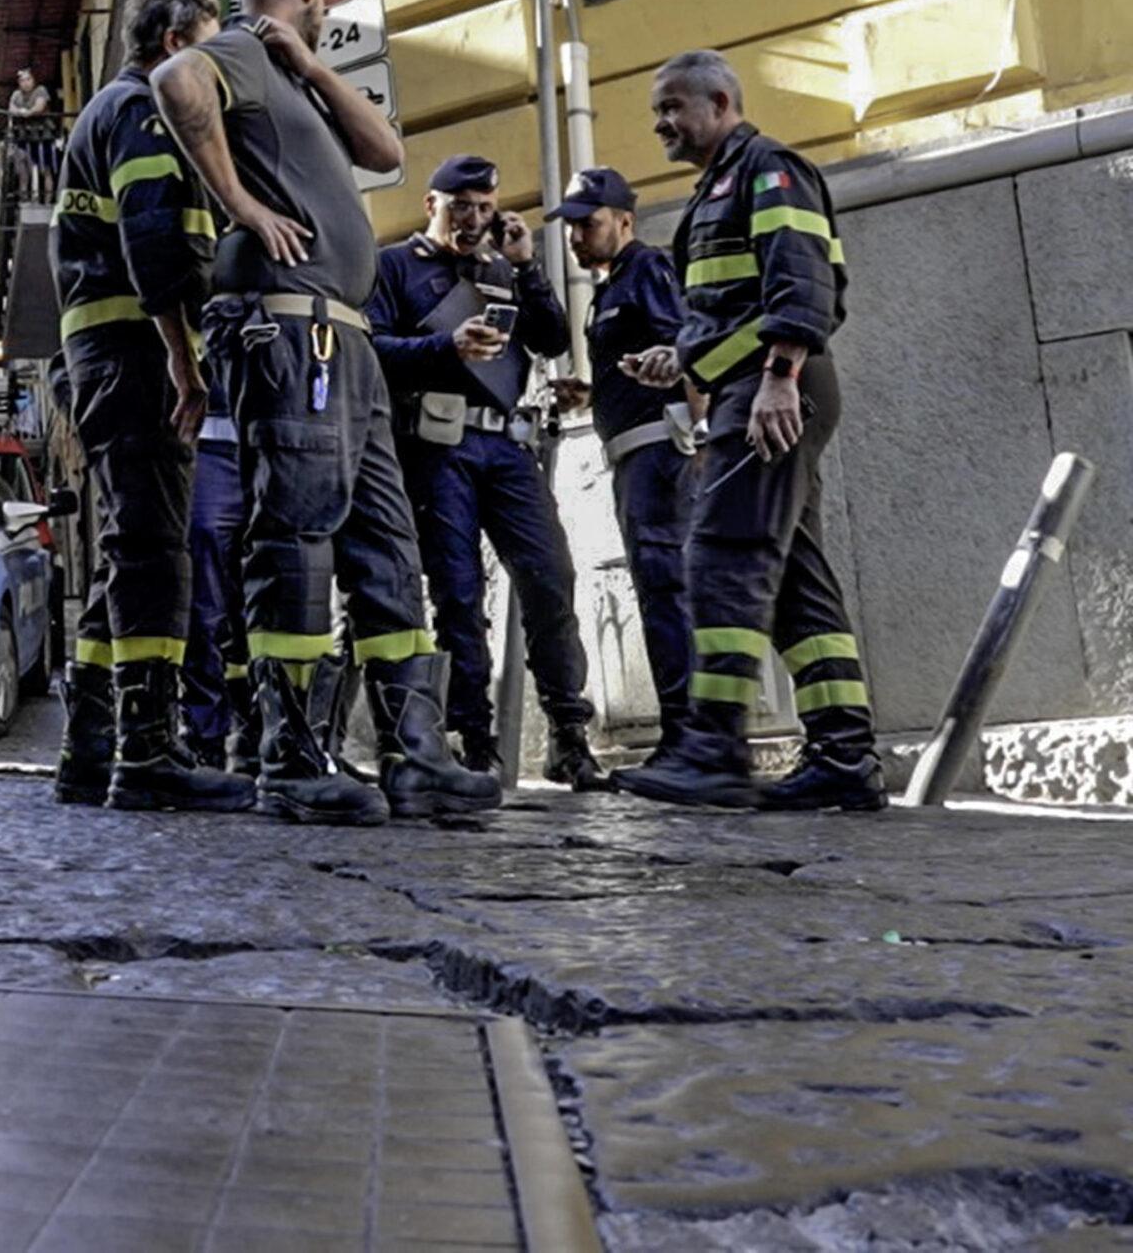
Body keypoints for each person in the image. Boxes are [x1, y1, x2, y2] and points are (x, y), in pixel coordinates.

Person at [151, 0, 502, 825]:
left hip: (344, 342)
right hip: (294, 331)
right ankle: (293, 752)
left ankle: (414, 753)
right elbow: (175, 78)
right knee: (297, 537)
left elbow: (387, 153)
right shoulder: (233, 51)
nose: (334, 4)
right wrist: (242, 205)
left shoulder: (290, 74)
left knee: (388, 543)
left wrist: (310, 68)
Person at [616, 49, 885, 811]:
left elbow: (802, 279)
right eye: (656, 112)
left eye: (674, 107)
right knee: (795, 573)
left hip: (773, 388)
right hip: (755, 383)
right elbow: (739, 304)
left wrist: (779, 375)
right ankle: (845, 755)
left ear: (723, 102)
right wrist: (681, 358)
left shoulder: (768, 168)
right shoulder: (718, 186)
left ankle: (713, 748)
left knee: (721, 552)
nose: (662, 123)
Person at [47, 0, 249, 812]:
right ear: (175, 45)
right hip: (137, 353)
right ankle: (150, 752)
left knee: (130, 548)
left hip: (108, 355)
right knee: (158, 551)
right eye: (207, 49)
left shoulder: (109, 109)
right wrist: (186, 360)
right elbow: (156, 238)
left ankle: (90, 749)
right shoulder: (145, 110)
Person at [368, 156, 606, 790]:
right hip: (437, 446)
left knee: (550, 579)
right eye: (460, 207)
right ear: (431, 205)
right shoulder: (395, 267)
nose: (472, 221)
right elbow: (374, 350)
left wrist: (527, 267)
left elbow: (552, 340)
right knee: (458, 594)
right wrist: (446, 347)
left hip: (507, 447)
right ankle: (474, 743)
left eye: (483, 208)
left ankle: (569, 735)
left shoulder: (503, 268)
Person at [550, 167, 695, 767]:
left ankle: (691, 738)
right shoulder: (611, 286)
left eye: (589, 223)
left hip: (660, 452)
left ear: (625, 221)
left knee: (667, 589)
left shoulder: (647, 269)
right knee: (658, 588)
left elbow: (682, 348)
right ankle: (688, 734)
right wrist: (594, 391)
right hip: (633, 451)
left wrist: (697, 431)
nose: (577, 236)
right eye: (571, 227)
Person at [179, 371, 255, 774]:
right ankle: (205, 732)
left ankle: (260, 726)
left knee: (270, 596)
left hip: (276, 440)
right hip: (206, 442)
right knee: (205, 602)